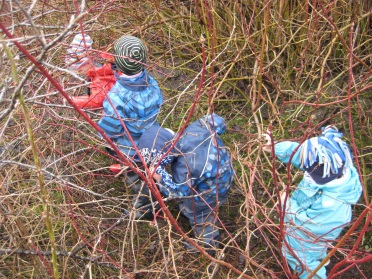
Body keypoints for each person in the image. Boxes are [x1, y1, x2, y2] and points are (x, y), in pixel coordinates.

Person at [263, 126, 362, 279]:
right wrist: (276, 147)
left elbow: (307, 226)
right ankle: (320, 257)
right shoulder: (330, 160)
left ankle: (316, 273)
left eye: (310, 171)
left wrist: (286, 206)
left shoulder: (333, 206)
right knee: (314, 249)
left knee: (299, 258)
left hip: (309, 235)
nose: (307, 171)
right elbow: (300, 154)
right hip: (306, 224)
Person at [136, 113, 234, 253]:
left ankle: (208, 244)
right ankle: (188, 211)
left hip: (208, 194)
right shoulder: (195, 129)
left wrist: (160, 178)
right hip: (225, 172)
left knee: (201, 216)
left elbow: (180, 192)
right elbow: (216, 120)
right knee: (193, 204)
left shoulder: (186, 167)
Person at [65, 33, 116, 109]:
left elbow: (97, 100)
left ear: (87, 62)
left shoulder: (100, 76)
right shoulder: (104, 57)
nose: (81, 73)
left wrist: (71, 100)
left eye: (80, 70)